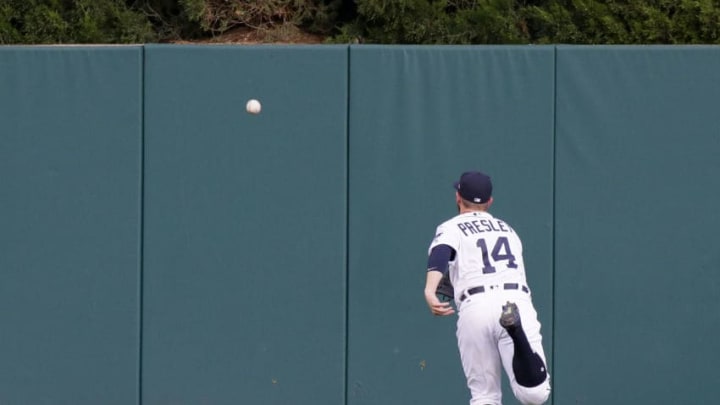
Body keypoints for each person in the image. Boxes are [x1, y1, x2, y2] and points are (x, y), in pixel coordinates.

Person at [424, 171, 551, 405]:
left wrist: (430, 290)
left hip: (475, 305)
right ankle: (517, 333)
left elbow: (442, 253)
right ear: (490, 202)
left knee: (484, 396)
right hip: (514, 300)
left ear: (458, 197)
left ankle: (516, 332)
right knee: (534, 395)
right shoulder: (508, 230)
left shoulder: (451, 226)